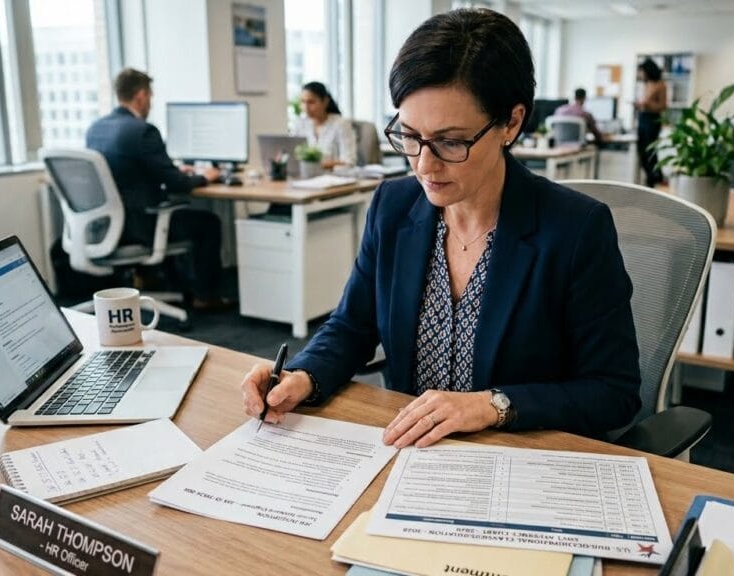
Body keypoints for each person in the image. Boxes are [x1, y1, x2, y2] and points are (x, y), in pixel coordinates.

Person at [241, 8, 641, 448]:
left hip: (520, 458)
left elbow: (614, 392)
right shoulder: (393, 207)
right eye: (409, 135)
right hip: (413, 455)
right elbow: (351, 326)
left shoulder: (575, 229)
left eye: (450, 142)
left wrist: (492, 404)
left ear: (511, 122)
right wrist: (303, 374)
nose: (423, 165)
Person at [86, 68, 227, 309]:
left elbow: (128, 172)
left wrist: (172, 171)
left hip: (106, 225)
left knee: (174, 215)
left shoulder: (96, 128)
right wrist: (206, 177)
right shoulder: (143, 131)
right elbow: (177, 184)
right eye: (150, 96)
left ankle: (156, 280)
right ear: (141, 96)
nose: (150, 102)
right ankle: (205, 296)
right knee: (209, 223)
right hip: (141, 226)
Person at [291, 81, 357, 169]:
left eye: (311, 102)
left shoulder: (341, 124)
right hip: (306, 177)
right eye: (303, 102)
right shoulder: (300, 123)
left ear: (325, 101)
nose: (305, 107)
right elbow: (292, 154)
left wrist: (317, 165)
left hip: (335, 178)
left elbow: (349, 161)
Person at [634, 58, 667, 187]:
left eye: (642, 71)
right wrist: (640, 105)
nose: (641, 74)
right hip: (643, 118)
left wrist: (647, 104)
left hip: (652, 120)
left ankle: (654, 179)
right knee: (641, 151)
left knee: (650, 151)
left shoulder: (661, 84)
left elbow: (663, 106)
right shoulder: (646, 84)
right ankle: (651, 177)